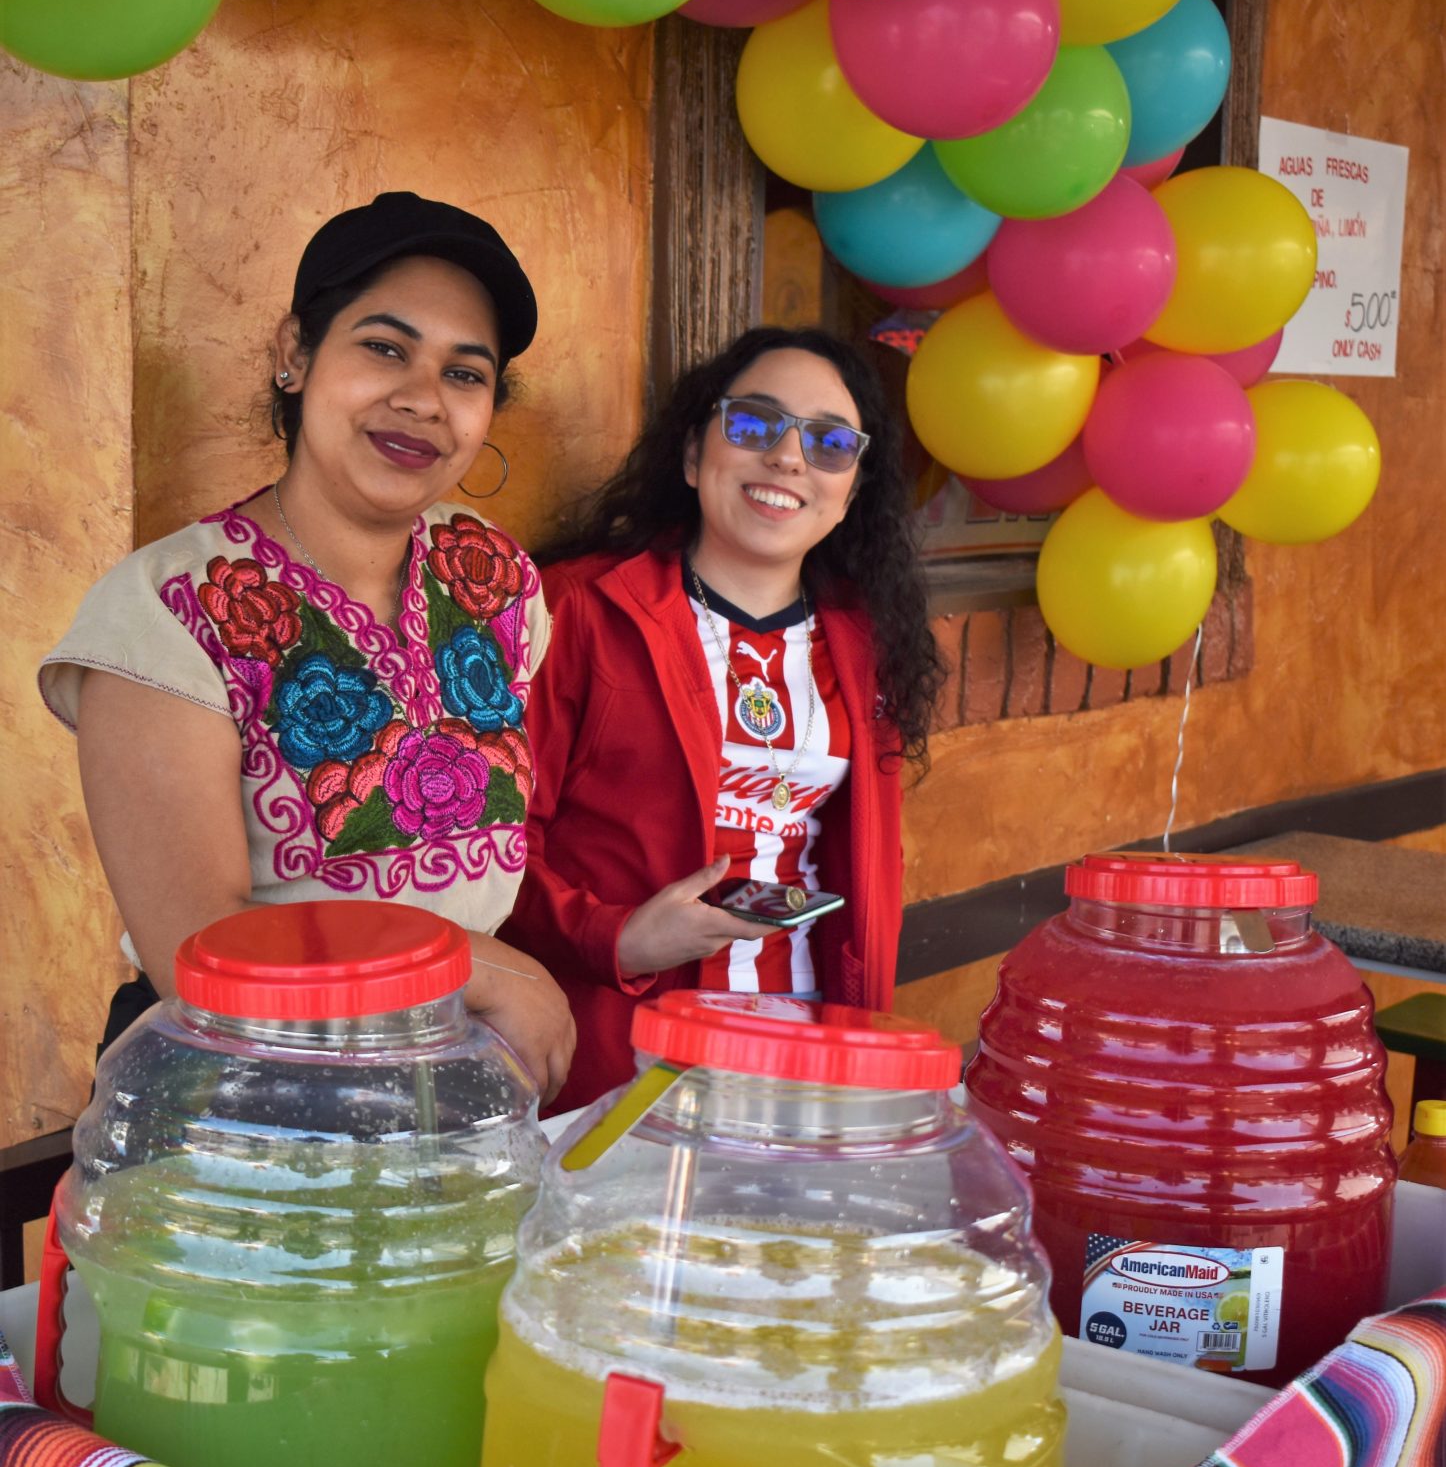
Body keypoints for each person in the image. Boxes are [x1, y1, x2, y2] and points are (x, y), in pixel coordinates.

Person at [39, 191, 575, 1102]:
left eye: (465, 373)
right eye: (384, 347)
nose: (420, 400)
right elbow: (198, 955)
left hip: (447, 1079)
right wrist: (487, 970)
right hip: (239, 1100)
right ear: (296, 355)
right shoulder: (169, 608)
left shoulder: (495, 580)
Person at [500, 326, 943, 1112]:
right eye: (753, 425)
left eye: (830, 444)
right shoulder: (576, 611)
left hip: (809, 1060)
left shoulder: (867, 645)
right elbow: (490, 845)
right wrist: (618, 936)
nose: (788, 458)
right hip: (620, 1054)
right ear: (693, 453)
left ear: (851, 494)